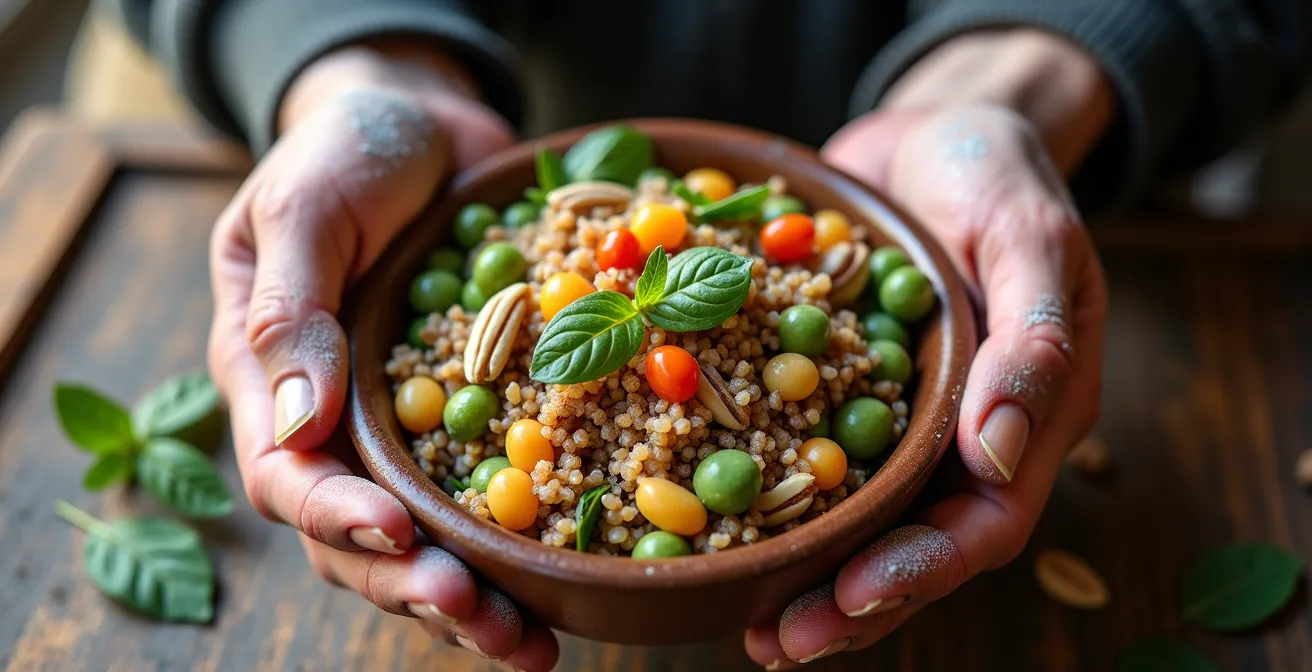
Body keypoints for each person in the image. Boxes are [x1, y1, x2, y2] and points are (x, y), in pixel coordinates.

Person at [109, 1, 1312, 668]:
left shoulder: (825, 351)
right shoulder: (507, 339)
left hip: (1076, 165)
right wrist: (347, 58)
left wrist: (1017, 85)